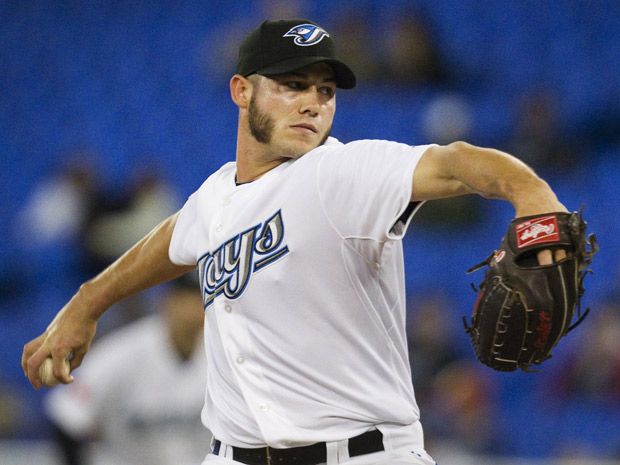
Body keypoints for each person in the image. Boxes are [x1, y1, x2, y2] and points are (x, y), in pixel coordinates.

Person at [23, 18, 569, 465]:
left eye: (325, 90)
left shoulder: (341, 173)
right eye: (292, 84)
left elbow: (453, 164)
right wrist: (86, 304)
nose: (313, 102)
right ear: (242, 90)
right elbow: (171, 241)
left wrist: (532, 193)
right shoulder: (214, 198)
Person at [44, 273, 209, 465]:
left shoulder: (225, 353)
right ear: (166, 301)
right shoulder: (121, 354)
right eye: (187, 299)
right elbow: (66, 416)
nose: (195, 310)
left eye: (202, 300)